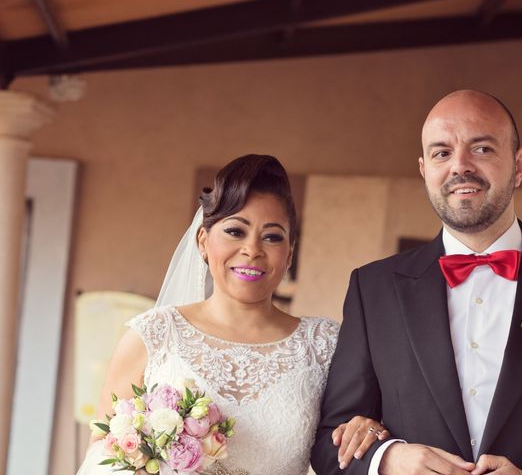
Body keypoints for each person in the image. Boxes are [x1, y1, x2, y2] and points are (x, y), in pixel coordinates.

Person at [311, 90, 522, 474]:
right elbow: (330, 440)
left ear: (519, 165)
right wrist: (388, 460)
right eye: (441, 153)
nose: (460, 166)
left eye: (481, 149)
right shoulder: (372, 289)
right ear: (424, 169)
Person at [76, 154, 387, 475]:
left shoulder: (325, 344)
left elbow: (350, 437)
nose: (253, 249)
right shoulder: (152, 335)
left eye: (272, 236)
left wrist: (369, 427)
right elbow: (102, 452)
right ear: (202, 241)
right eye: (236, 231)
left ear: (289, 253)